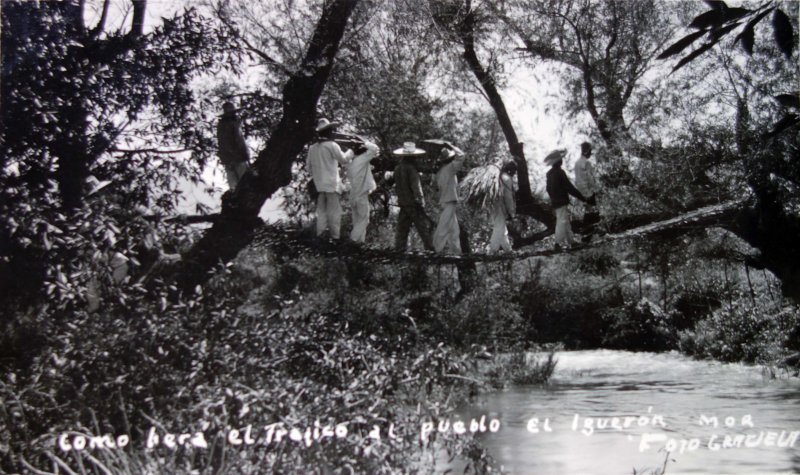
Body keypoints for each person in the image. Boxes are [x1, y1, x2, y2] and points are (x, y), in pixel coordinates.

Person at [307, 118, 354, 239]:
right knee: (334, 213)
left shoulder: (312, 148)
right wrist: (352, 150)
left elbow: (309, 168)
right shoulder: (332, 145)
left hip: (319, 185)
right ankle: (335, 238)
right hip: (332, 184)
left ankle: (320, 237)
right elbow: (343, 160)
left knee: (321, 212)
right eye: (331, 130)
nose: (332, 132)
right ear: (327, 132)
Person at [393, 142, 434, 251]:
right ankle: (430, 248)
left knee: (402, 228)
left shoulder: (397, 169)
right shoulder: (411, 169)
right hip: (412, 204)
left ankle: (399, 248)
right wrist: (421, 201)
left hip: (403, 203)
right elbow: (416, 187)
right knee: (422, 227)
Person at [545, 149, 588, 250]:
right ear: (558, 162)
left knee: (566, 221)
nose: (562, 161)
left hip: (555, 202)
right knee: (562, 221)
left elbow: (548, 189)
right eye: (560, 160)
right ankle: (557, 244)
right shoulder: (560, 172)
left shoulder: (549, 174)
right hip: (561, 202)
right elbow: (569, 187)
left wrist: (553, 198)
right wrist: (581, 197)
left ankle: (572, 242)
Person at [433, 147, 465, 254]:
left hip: (445, 200)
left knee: (454, 229)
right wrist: (453, 147)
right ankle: (436, 248)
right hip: (449, 200)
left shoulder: (439, 172)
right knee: (444, 225)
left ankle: (456, 250)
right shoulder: (450, 168)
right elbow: (462, 156)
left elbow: (436, 187)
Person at [346, 140, 379, 243]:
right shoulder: (362, 159)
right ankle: (352, 240)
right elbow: (375, 149)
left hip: (353, 195)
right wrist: (366, 141)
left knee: (357, 222)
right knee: (365, 219)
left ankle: (359, 244)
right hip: (361, 195)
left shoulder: (350, 164)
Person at [217, 101, 250, 190]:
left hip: (230, 158)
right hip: (236, 157)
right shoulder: (228, 124)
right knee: (243, 185)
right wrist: (243, 154)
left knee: (236, 187)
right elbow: (235, 141)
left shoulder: (224, 124)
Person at [489, 160, 518, 253]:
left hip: (492, 204)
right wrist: (511, 212)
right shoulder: (507, 179)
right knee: (499, 227)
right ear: (511, 170)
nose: (515, 173)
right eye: (514, 170)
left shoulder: (498, 176)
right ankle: (492, 251)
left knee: (502, 227)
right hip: (500, 206)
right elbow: (508, 197)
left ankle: (508, 249)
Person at [574, 141, 601, 239]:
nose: (590, 153)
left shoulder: (577, 163)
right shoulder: (587, 163)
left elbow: (577, 180)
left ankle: (589, 235)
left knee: (589, 212)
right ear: (587, 151)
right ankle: (589, 236)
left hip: (581, 192)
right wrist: (596, 190)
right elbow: (590, 178)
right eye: (590, 151)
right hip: (588, 191)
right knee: (593, 212)